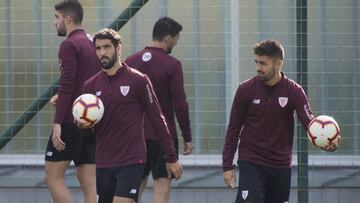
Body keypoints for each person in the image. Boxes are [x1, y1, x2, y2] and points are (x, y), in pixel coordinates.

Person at [222, 39, 340, 203]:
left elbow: (310, 123)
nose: (258, 67)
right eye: (256, 62)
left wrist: (327, 141)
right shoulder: (245, 89)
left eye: (263, 63)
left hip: (280, 165)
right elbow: (233, 128)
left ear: (278, 64)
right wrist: (227, 165)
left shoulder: (294, 91)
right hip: (251, 160)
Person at [81, 28, 183, 203]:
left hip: (132, 159)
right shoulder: (90, 86)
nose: (102, 53)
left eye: (107, 47)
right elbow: (87, 131)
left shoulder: (138, 80)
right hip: (104, 162)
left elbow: (158, 120)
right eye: (98, 48)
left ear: (118, 48)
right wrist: (81, 125)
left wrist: (171, 157)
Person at [125, 16, 193, 203]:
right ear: (169, 38)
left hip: (135, 137)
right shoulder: (172, 65)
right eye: (176, 39)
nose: (175, 44)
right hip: (164, 137)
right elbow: (180, 104)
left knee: (132, 189)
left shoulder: (130, 62)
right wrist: (187, 137)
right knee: (161, 189)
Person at [44, 1, 100, 203]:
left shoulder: (69, 44)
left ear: (67, 19)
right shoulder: (92, 41)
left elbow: (67, 84)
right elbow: (88, 80)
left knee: (53, 176)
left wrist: (58, 123)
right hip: (91, 121)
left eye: (56, 18)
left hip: (70, 121)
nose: (54, 23)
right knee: (89, 182)